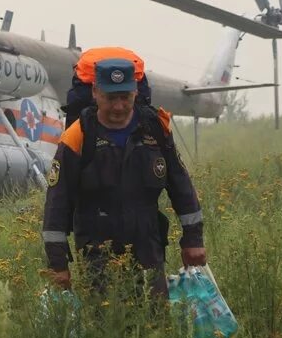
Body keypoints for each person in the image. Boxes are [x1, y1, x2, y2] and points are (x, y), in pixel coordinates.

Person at [41, 57, 207, 297]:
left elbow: (181, 186)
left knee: (154, 326)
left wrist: (194, 239)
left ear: (135, 92)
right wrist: (57, 264)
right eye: (110, 98)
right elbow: (57, 202)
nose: (118, 106)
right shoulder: (77, 136)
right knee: (104, 327)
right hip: (97, 253)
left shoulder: (155, 128)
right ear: (96, 93)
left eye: (124, 97)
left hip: (148, 247)